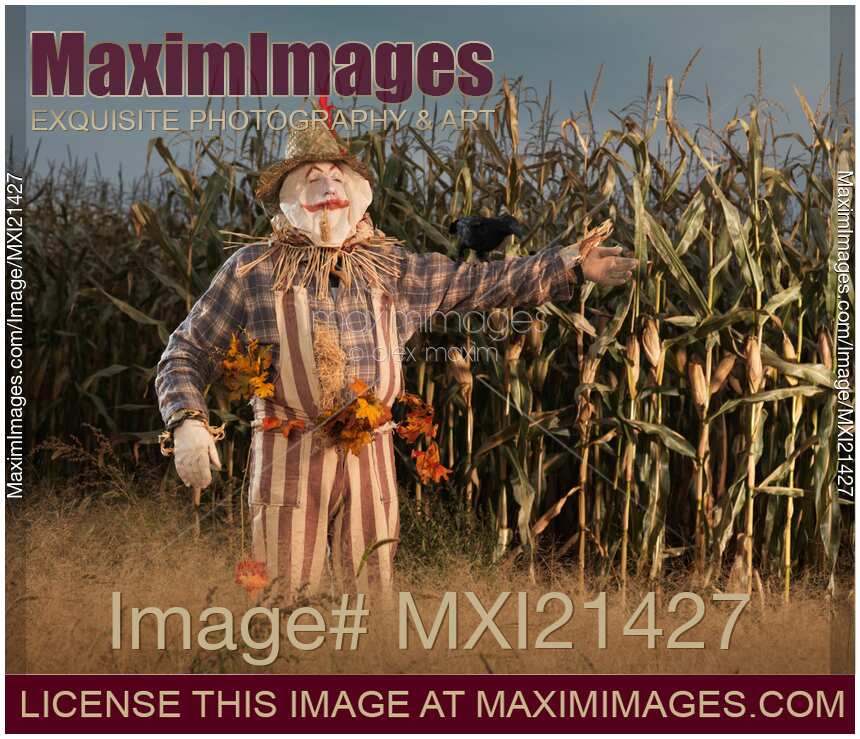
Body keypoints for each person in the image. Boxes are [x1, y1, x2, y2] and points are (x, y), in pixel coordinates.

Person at [155, 120, 635, 599]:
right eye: (312, 178)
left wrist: (570, 263)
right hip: (288, 449)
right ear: (288, 194)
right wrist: (188, 422)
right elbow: (186, 352)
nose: (327, 188)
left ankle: (366, 669)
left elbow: (482, 283)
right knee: (280, 591)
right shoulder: (252, 269)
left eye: (336, 176)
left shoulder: (394, 268)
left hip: (371, 451)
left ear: (358, 192)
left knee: (369, 595)